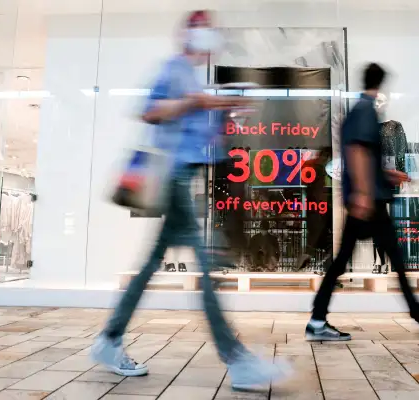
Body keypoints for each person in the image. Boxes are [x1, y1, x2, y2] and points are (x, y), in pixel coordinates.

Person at [91, 10, 292, 390]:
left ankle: (109, 340)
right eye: (203, 29)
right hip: (173, 177)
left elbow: (203, 133)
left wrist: (226, 109)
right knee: (205, 262)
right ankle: (238, 360)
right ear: (189, 34)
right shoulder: (173, 68)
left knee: (151, 265)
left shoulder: (194, 77)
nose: (208, 36)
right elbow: (150, 111)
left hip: (188, 176)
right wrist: (196, 102)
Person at [305, 63, 419, 342]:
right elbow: (357, 152)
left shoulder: (359, 111)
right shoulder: (365, 110)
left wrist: (386, 175)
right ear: (379, 84)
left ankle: (318, 320)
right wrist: (365, 195)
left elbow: (363, 155)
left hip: (366, 200)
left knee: (348, 261)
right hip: (369, 204)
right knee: (392, 262)